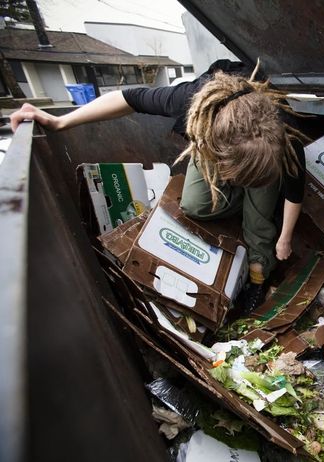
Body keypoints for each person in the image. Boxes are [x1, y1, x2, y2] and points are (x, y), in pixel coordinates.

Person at [10, 60, 307, 311]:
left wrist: (284, 238)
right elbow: (129, 97)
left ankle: (258, 271)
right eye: (233, 176)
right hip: (220, 146)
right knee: (195, 205)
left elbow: (294, 188)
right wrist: (61, 122)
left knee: (259, 212)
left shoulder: (279, 134)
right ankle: (240, 187)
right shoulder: (191, 100)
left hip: (255, 159)